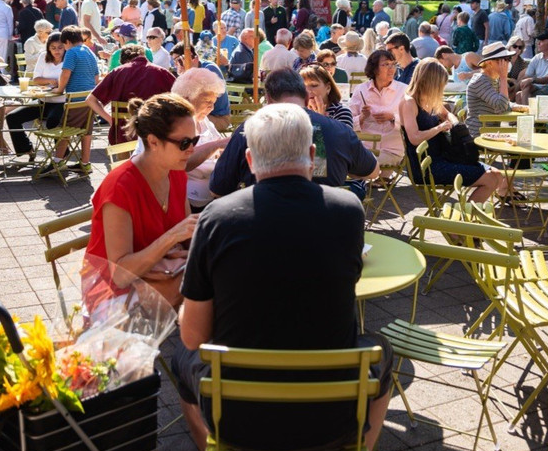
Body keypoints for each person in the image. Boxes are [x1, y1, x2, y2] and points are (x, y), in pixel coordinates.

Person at [174, 103, 393, 451]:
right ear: (312, 155)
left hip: (237, 422)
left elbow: (193, 336)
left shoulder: (216, 218)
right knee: (383, 350)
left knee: (180, 356)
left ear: (249, 160)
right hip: (332, 420)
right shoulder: (347, 210)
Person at [83, 93, 200, 306]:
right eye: (184, 143)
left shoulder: (175, 172)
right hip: (111, 299)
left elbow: (187, 239)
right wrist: (171, 238)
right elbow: (120, 275)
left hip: (160, 278)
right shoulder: (120, 187)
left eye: (194, 140)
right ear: (153, 141)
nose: (192, 149)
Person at [210, 69, 377, 197]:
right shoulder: (338, 130)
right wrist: (342, 165)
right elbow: (373, 171)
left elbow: (218, 189)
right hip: (324, 223)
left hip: (263, 223)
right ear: (306, 98)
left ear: (268, 99)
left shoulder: (248, 130)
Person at [400, 58, 508, 204]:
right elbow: (414, 138)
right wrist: (439, 128)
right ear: (430, 82)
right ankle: (465, 216)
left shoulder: (429, 99)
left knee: (497, 175)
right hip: (427, 168)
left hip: (443, 158)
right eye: (440, 85)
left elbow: (447, 114)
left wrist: (454, 123)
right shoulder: (409, 102)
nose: (441, 90)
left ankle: (467, 214)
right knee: (490, 179)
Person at [130, 70, 229, 213]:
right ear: (187, 99)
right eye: (208, 102)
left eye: (214, 103)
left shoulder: (203, 120)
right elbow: (181, 162)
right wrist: (215, 146)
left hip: (205, 199)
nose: (212, 108)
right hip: (178, 202)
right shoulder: (165, 123)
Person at [47, 25, 100, 172]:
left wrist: (59, 89)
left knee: (65, 129)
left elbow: (65, 73)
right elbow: (96, 78)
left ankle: (58, 161)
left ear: (68, 42)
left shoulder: (71, 52)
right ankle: (85, 163)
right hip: (90, 98)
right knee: (86, 132)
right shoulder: (89, 51)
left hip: (75, 99)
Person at [347, 49, 407, 165]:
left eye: (393, 64)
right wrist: (362, 117)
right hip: (364, 148)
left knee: (359, 166)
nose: (391, 69)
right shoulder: (361, 90)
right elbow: (348, 123)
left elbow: (412, 123)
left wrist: (392, 117)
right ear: (374, 69)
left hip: (391, 150)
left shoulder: (404, 90)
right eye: (386, 64)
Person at [465, 42, 514, 136]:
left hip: (491, 132)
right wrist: (503, 77)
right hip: (479, 135)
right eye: (504, 59)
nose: (507, 63)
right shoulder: (480, 81)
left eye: (508, 59)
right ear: (490, 63)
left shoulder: (493, 79)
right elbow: (501, 106)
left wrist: (518, 106)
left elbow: (504, 104)